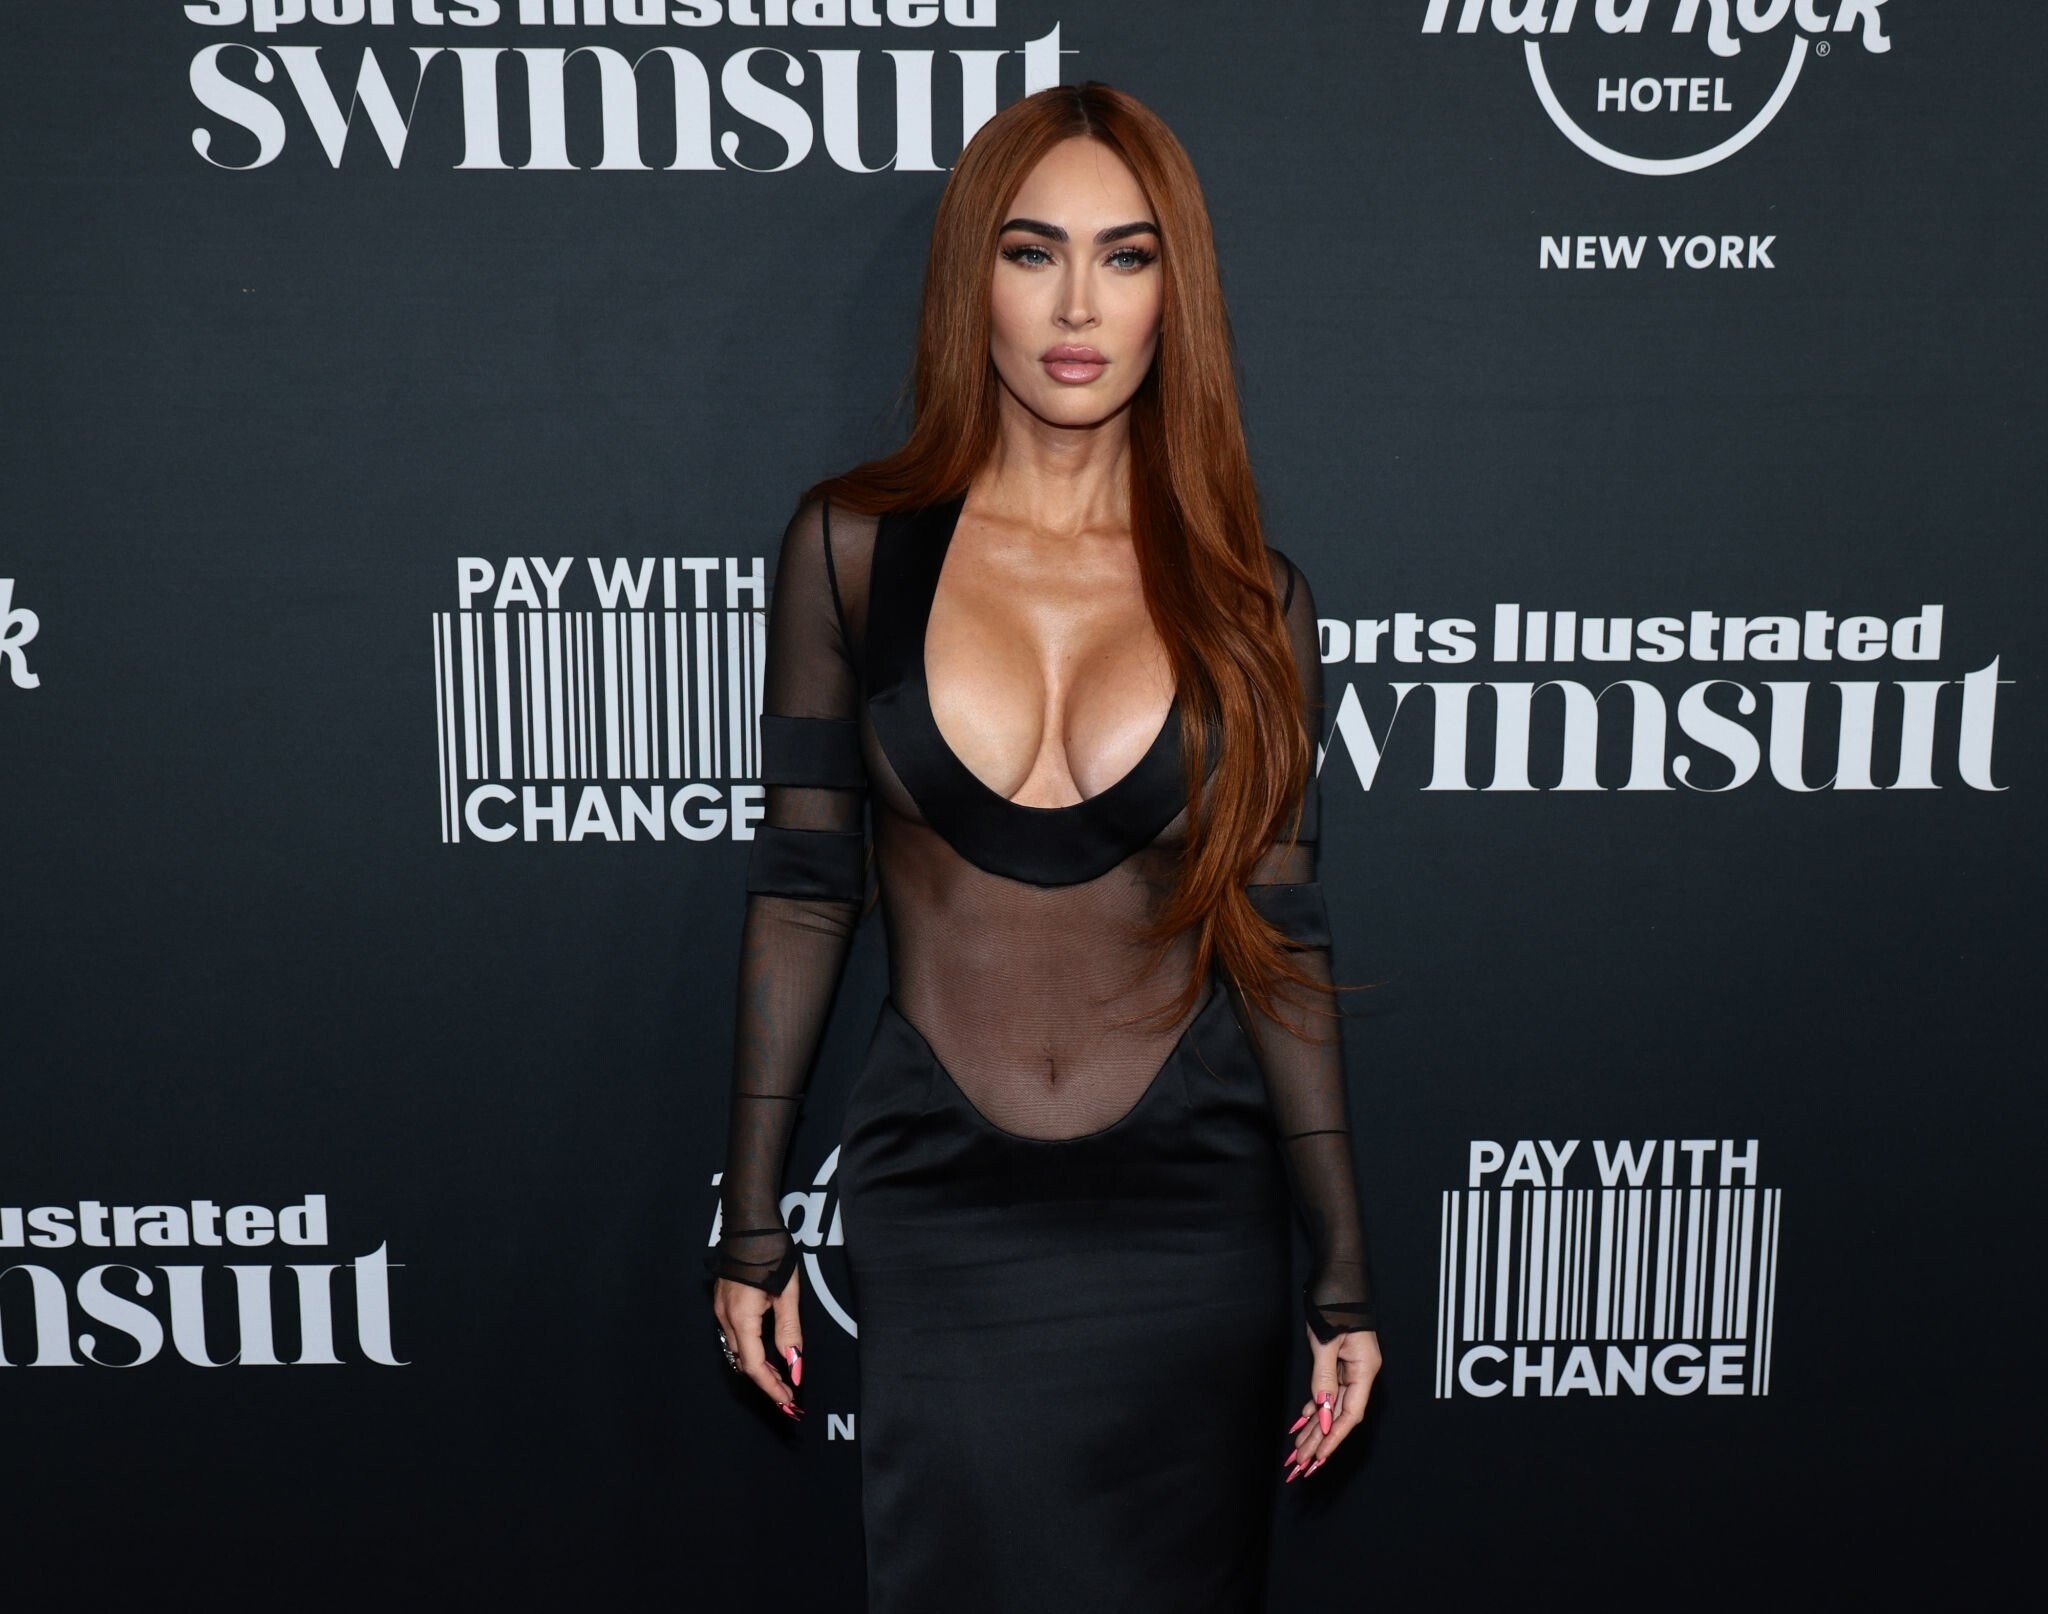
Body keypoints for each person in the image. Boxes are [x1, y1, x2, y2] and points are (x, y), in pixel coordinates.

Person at [708, 80, 1381, 1612]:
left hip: (1193, 1215)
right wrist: (751, 1222)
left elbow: (1284, 932)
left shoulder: (1252, 599)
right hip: (940, 1199)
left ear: (1174, 295)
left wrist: (1341, 1271)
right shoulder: (848, 549)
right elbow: (805, 889)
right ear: (977, 281)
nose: (1079, 305)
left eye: (1126, 256)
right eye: (1034, 252)